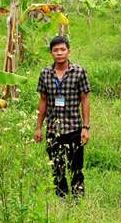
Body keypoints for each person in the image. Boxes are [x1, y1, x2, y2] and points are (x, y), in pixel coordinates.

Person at [34, 35, 91, 199]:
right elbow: (43, 100)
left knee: (76, 167)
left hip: (73, 128)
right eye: (55, 50)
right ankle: (61, 198)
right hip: (53, 130)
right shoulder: (45, 74)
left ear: (69, 52)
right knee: (57, 168)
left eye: (62, 49)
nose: (59, 53)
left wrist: (85, 128)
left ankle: (77, 200)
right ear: (51, 53)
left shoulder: (79, 72)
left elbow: (85, 100)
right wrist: (39, 127)